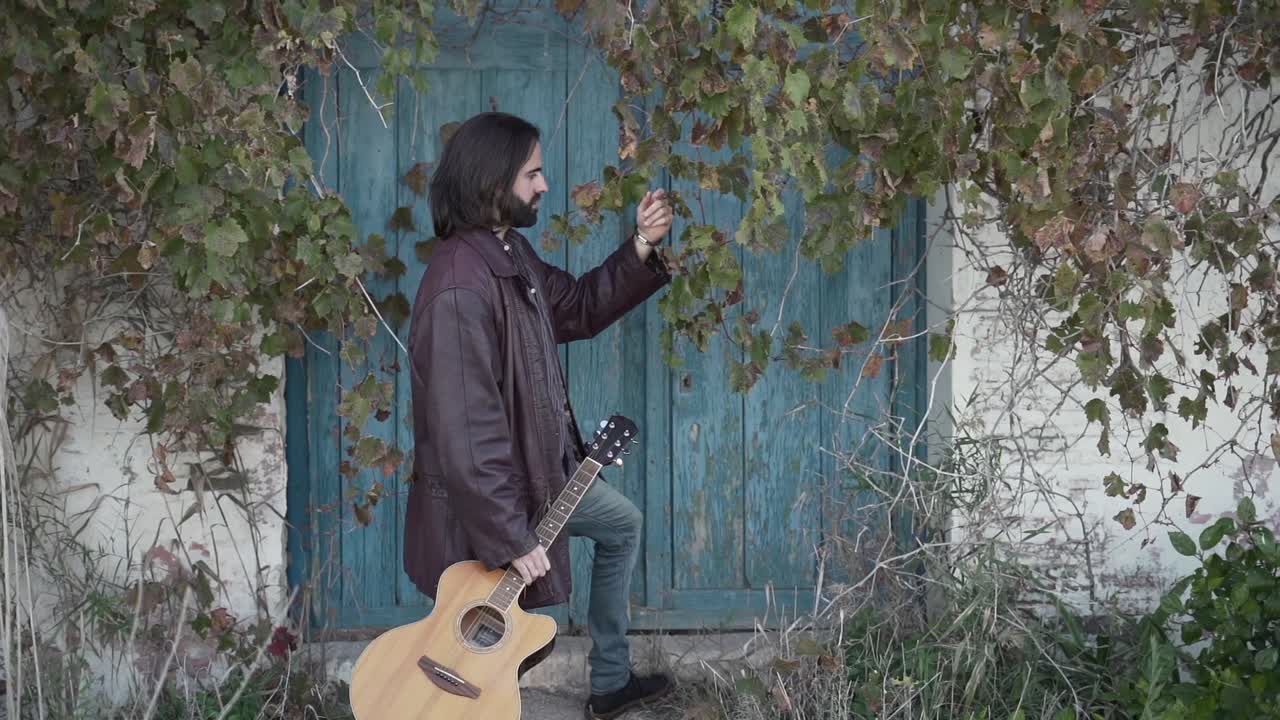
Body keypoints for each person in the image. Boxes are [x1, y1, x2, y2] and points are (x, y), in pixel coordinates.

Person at [403, 111, 675, 719]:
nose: (544, 185)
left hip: (542, 478)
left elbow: (575, 306)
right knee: (478, 639)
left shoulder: (509, 252)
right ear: (493, 180)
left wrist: (642, 244)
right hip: (492, 499)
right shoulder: (459, 285)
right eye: (533, 173)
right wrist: (509, 534)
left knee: (621, 525)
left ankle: (609, 683)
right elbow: (467, 432)